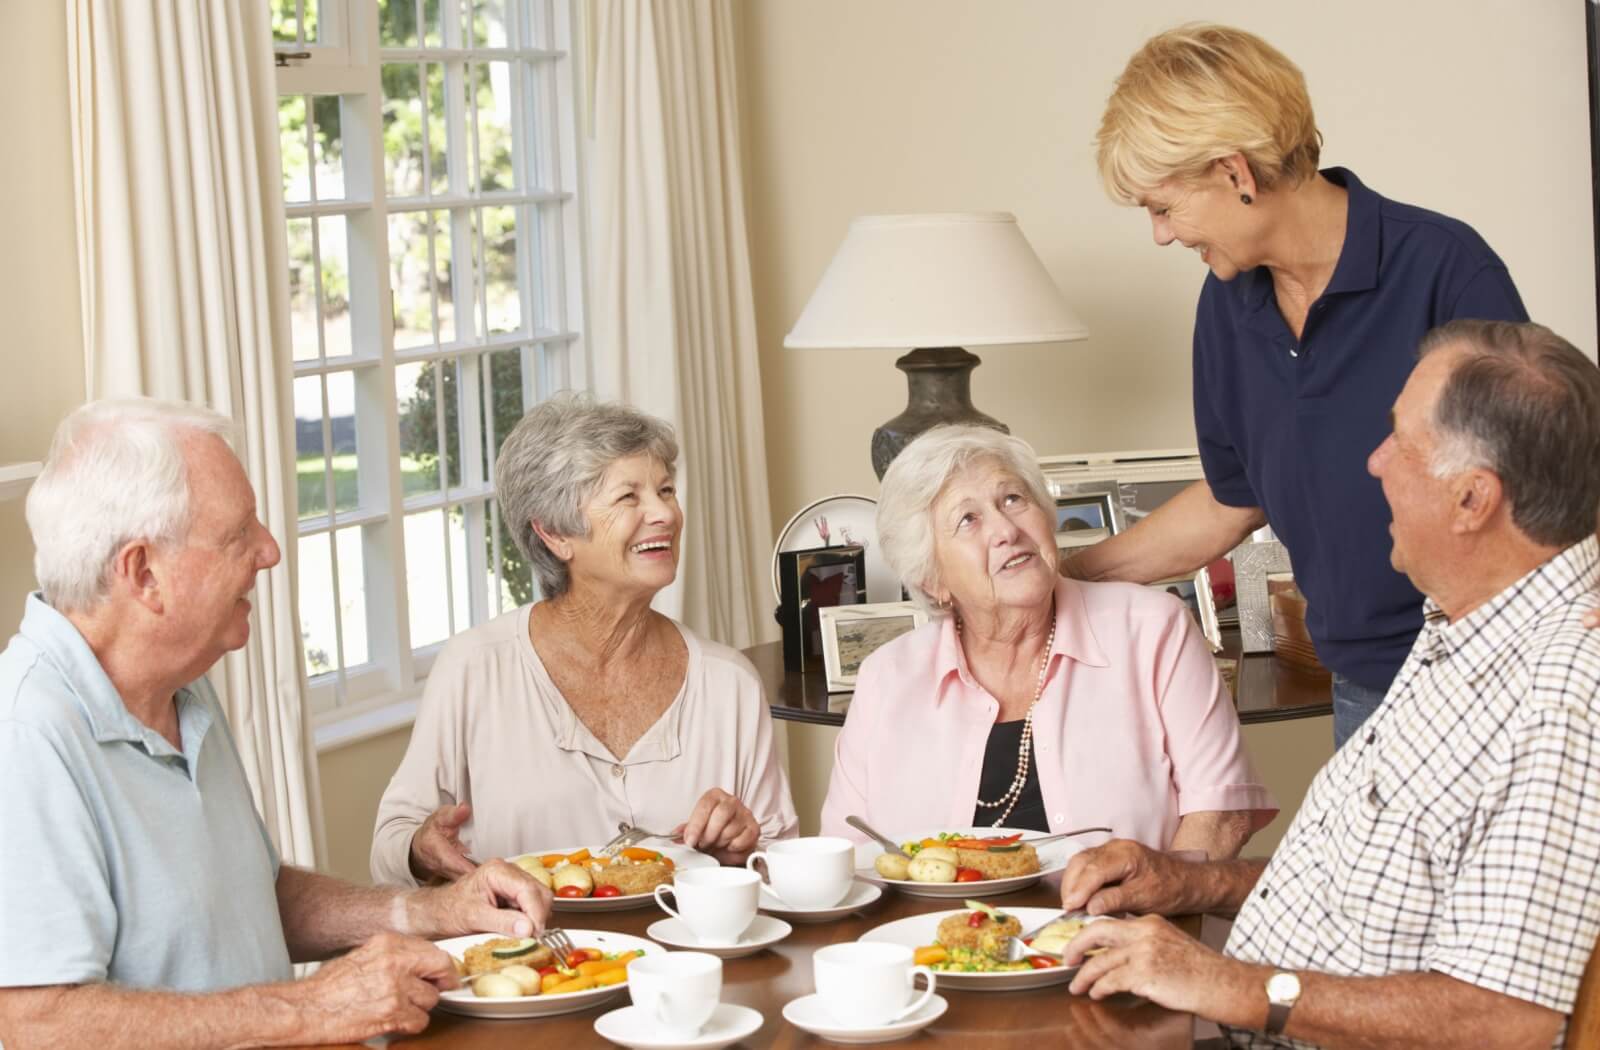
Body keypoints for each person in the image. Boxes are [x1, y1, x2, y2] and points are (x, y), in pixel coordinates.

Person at [1056, 321, 1600, 1049]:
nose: (1375, 462)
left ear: (1473, 501)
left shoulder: (1567, 689)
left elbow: (1506, 1018)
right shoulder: (1465, 624)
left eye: (1400, 441)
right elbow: (1377, 892)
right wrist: (1192, 883)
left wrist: (1217, 981)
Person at [0, 399, 551, 1049]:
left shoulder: (182, 686)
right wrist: (311, 1008)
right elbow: (34, 1020)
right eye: (238, 534)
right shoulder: (26, 736)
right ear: (144, 572)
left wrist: (431, 910)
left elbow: (250, 898)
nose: (269, 551)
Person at [1070, 24, 1530, 747]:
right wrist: (1064, 575)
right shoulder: (1227, 305)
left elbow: (1548, 492)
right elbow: (1233, 501)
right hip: (1361, 689)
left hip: (1488, 685)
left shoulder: (1444, 269)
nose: (1161, 235)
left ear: (1234, 173)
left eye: (1163, 207)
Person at [372, 394, 797, 886]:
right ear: (555, 534)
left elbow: (784, 866)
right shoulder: (477, 667)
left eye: (666, 490)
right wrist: (420, 849)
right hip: (533, 954)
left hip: (691, 958)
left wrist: (744, 850)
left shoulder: (729, 684)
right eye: (628, 497)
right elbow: (391, 843)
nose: (665, 514)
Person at [819, 426, 1275, 856]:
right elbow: (846, 854)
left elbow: (1221, 817)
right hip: (930, 936)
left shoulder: (1153, 631)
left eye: (1013, 498)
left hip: (1126, 929)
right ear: (932, 579)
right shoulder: (887, 678)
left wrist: (1150, 920)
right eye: (968, 520)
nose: (1005, 530)